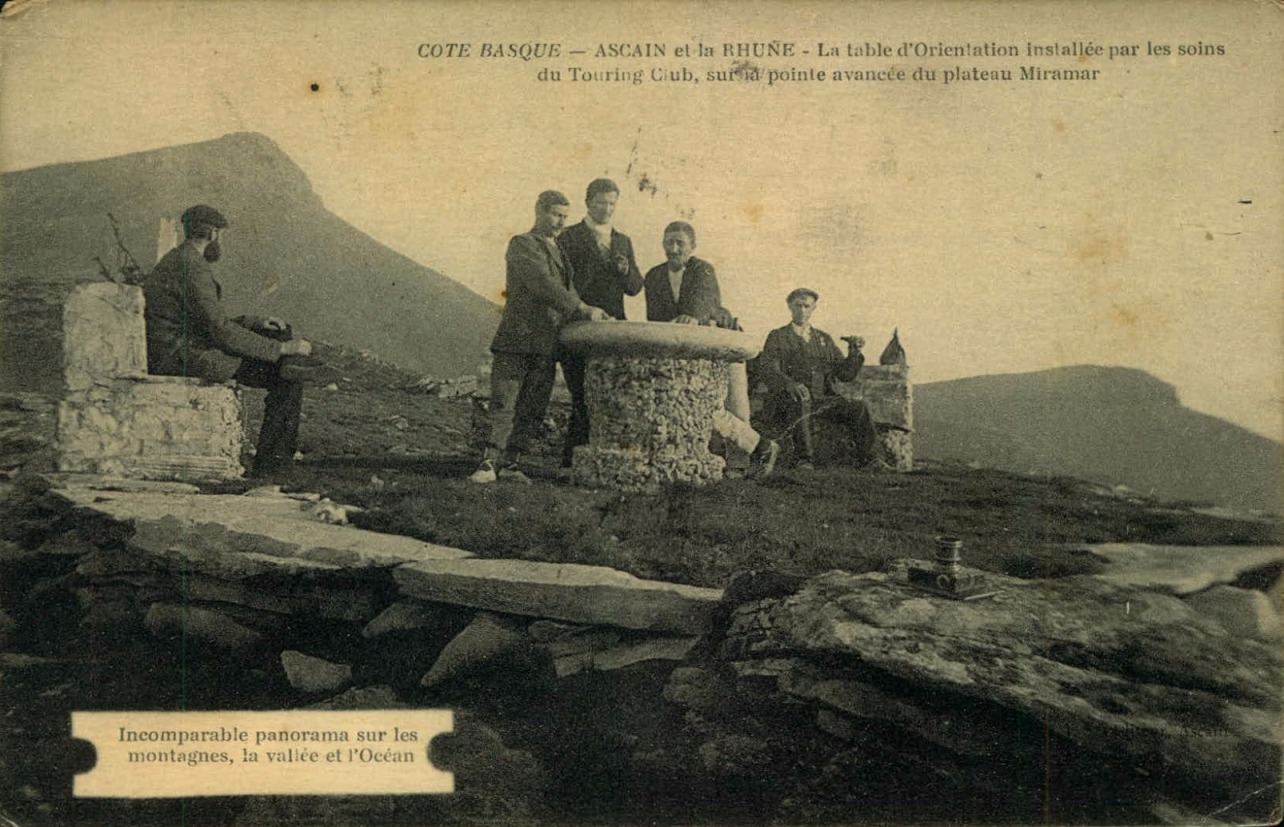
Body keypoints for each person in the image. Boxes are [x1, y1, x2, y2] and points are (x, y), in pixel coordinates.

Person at [142, 204, 315, 479]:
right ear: (212, 233)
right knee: (285, 376)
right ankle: (273, 469)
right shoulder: (192, 267)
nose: (221, 242)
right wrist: (281, 349)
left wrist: (251, 323)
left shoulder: (181, 259)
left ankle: (273, 463)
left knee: (279, 345)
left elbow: (203, 321)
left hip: (182, 347)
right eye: (221, 235)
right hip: (182, 356)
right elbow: (218, 331)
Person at [470, 190, 610, 484]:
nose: (560, 222)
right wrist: (581, 308)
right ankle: (488, 463)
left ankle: (511, 463)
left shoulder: (559, 252)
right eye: (556, 215)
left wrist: (593, 311)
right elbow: (542, 283)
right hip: (517, 340)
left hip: (546, 343)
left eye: (564, 217)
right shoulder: (522, 244)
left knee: (533, 407)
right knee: (504, 404)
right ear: (539, 211)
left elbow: (568, 292)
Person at [643, 221, 778, 478]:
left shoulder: (702, 270)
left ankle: (740, 465)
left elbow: (703, 302)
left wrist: (693, 316)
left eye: (680, 243)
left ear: (692, 246)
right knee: (703, 405)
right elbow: (656, 318)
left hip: (725, 344)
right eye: (668, 242)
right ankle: (762, 447)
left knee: (736, 404)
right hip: (691, 351)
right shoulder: (654, 276)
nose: (673, 248)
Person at [555, 178, 644, 467]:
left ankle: (598, 462)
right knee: (581, 393)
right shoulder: (568, 237)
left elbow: (634, 287)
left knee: (610, 395)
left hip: (613, 329)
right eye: (601, 202)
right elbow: (561, 283)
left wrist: (625, 269)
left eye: (612, 203)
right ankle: (572, 461)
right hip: (578, 325)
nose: (607, 209)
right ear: (588, 202)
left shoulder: (623, 240)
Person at [756, 287, 883, 470]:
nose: (802, 310)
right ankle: (804, 460)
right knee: (802, 400)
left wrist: (854, 352)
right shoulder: (778, 336)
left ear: (814, 308)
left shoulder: (823, 339)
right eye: (798, 305)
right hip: (787, 401)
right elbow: (768, 368)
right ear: (789, 306)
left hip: (821, 399)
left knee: (858, 408)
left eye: (807, 306)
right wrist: (790, 384)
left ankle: (871, 460)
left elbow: (845, 375)